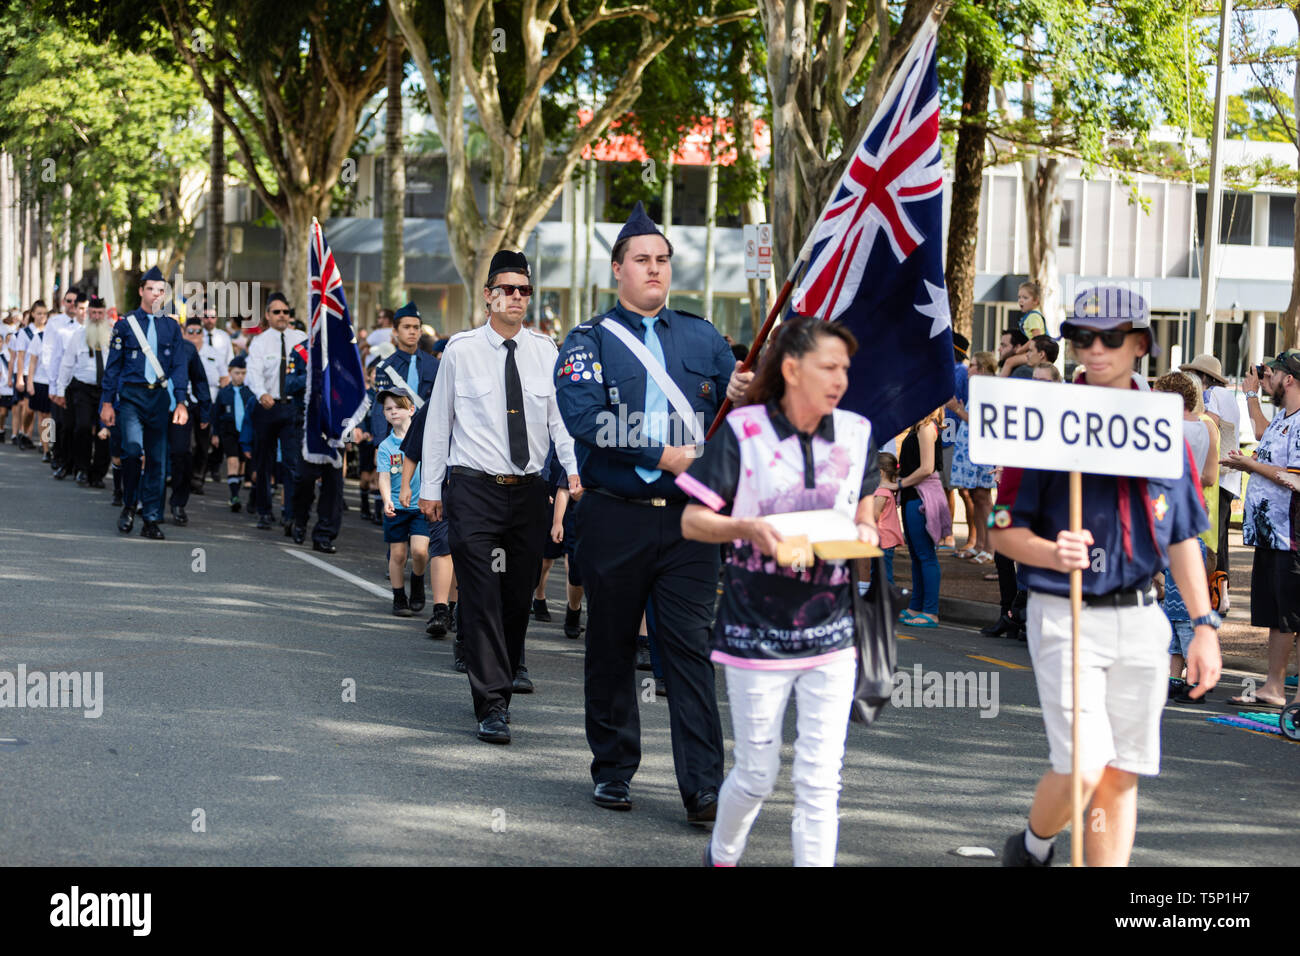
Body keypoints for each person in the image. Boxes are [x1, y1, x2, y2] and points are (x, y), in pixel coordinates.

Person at [993, 286, 1222, 867]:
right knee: (1084, 763)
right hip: (1065, 612)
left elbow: (1182, 536)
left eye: (1110, 338)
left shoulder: (1162, 427)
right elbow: (1000, 527)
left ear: (1140, 344)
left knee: (1122, 774)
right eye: (1081, 337)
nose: (1095, 350)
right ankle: (1034, 844)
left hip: (1144, 619)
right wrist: (1048, 550)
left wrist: (1203, 626)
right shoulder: (1042, 421)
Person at [554, 201, 744, 821]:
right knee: (610, 646)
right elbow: (585, 419)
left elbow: (743, 417)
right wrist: (665, 455)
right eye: (642, 260)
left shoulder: (704, 336)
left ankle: (703, 788)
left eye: (662, 260)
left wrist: (749, 387)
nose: (655, 269)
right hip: (616, 516)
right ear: (618, 270)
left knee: (689, 650)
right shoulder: (587, 342)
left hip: (692, 524)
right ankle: (613, 769)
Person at [678, 316, 880, 866]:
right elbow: (694, 522)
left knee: (821, 780)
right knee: (756, 774)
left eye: (845, 368)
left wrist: (865, 527)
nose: (840, 378)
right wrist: (747, 528)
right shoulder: (745, 432)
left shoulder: (858, 433)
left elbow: (865, 501)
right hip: (755, 632)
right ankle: (722, 853)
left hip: (833, 632)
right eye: (828, 367)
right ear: (791, 369)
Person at [419, 249, 580, 745]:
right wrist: (430, 489)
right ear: (488, 295)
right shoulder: (461, 350)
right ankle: (492, 703)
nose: (516, 297)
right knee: (484, 594)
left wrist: (574, 473)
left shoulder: (545, 351)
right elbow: (438, 421)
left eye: (524, 290)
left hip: (528, 492)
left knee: (516, 597)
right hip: (473, 490)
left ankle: (506, 675)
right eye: (507, 289)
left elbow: (560, 421)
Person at [1219, 349, 1300, 710]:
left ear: (1290, 379)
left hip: (1290, 535)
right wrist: (1252, 395)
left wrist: (1250, 465)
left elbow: (1295, 477)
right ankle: (1273, 687)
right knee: (1277, 616)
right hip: (1272, 535)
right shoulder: (1285, 417)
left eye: (1273, 374)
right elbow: (1264, 433)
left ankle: (1281, 689)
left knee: (1292, 615)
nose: (1268, 378)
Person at [99, 267, 191, 539]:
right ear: (141, 291)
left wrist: (182, 402)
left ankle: (151, 518)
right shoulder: (125, 324)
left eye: (161, 290)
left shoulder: (171, 326)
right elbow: (113, 367)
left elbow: (178, 365)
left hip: (159, 398)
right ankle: (129, 504)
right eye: (151, 289)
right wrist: (106, 402)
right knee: (132, 451)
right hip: (131, 397)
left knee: (157, 461)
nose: (155, 294)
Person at [1180, 354, 1241, 611]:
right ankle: (1220, 594)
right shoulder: (1228, 396)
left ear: (1204, 377)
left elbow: (1209, 422)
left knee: (1214, 541)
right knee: (1220, 539)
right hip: (1229, 479)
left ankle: (1216, 595)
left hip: (1218, 478)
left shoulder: (1213, 395)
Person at [244, 292, 306, 531]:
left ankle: (289, 513)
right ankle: (264, 511)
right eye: (277, 312)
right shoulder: (260, 341)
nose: (282, 316)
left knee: (292, 463)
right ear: (268, 315)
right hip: (267, 407)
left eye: (286, 312)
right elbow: (253, 373)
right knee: (264, 462)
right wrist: (261, 394)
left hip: (292, 408)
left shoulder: (300, 338)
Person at [376, 391, 431, 616]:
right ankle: (399, 597)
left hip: (420, 507)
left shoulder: (425, 440)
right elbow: (384, 476)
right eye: (388, 409)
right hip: (397, 509)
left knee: (420, 552)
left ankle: (417, 582)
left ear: (411, 410)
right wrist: (387, 500)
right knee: (397, 555)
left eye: (398, 407)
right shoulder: (385, 446)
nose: (393, 412)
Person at [897, 409, 950, 627]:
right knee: (916, 554)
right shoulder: (918, 426)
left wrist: (899, 483)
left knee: (925, 554)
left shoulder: (927, 428)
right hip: (913, 494)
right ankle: (916, 605)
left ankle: (930, 611)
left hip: (922, 495)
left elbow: (927, 468)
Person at [55, 296, 112, 488]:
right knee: (82, 427)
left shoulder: (112, 336)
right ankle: (82, 469)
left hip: (105, 391)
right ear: (88, 314)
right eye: (93, 313)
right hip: (82, 389)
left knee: (105, 431)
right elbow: (67, 364)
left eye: (99, 313)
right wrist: (60, 390)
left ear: (104, 314)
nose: (96, 316)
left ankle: (98, 474)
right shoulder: (78, 336)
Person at [369, 302, 439, 445]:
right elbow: (379, 409)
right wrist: (380, 444)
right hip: (395, 440)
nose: (412, 331)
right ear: (395, 332)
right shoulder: (385, 367)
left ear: (420, 331)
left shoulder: (435, 365)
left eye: (416, 327)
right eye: (406, 327)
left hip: (428, 438)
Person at [169, 321, 214, 525]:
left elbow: (199, 380)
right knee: (153, 455)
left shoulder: (187, 349)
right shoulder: (148, 346)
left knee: (181, 454)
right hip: (152, 408)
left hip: (180, 409)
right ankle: (148, 502)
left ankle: (178, 503)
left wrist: (205, 412)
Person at [45, 289, 83, 478]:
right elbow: (50, 354)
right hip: (56, 379)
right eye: (69, 301)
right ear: (63, 301)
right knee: (55, 421)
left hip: (77, 382)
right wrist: (52, 384)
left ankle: (71, 460)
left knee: (72, 425)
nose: (71, 305)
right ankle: (53, 451)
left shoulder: (83, 327)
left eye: (75, 302)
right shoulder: (55, 324)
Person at [213, 354, 255, 511]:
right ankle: (234, 495)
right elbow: (217, 414)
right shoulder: (224, 392)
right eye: (237, 373)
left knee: (243, 464)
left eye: (243, 373)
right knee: (232, 461)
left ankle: (241, 491)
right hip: (229, 431)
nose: (240, 376)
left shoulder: (249, 393)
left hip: (245, 433)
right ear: (230, 372)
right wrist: (215, 433)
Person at [873, 451, 904, 588]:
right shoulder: (888, 490)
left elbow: (874, 515)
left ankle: (890, 602)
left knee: (884, 576)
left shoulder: (881, 492)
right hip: (885, 539)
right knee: (881, 574)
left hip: (883, 540)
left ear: (880, 472)